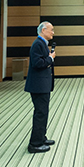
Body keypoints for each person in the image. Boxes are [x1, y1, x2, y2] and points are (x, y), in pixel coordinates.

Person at [25, 21, 56, 154]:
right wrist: (51, 58)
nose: (53, 32)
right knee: (40, 113)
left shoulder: (42, 43)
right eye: (51, 30)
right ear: (43, 30)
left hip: (42, 85)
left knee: (43, 113)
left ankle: (41, 138)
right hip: (38, 86)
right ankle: (35, 144)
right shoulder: (38, 44)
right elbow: (38, 63)